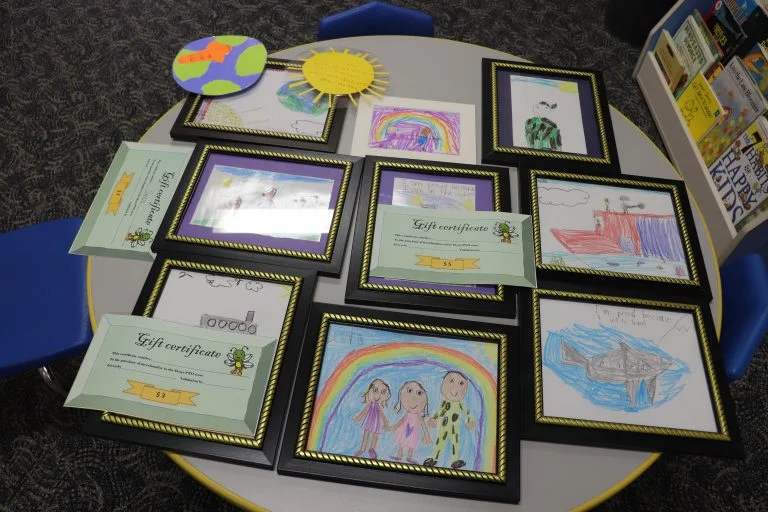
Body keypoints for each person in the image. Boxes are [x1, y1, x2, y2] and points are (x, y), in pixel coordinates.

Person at [423, 371, 475, 469]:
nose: (455, 387)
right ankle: (434, 459)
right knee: (439, 442)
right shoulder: (445, 403)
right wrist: (434, 419)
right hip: (444, 426)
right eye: (451, 381)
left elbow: (466, 412)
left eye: (461, 383)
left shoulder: (460, 404)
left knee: (455, 443)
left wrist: (470, 420)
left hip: (454, 428)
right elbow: (440, 412)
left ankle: (455, 461)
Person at [389, 381, 431, 464]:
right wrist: (395, 426)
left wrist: (427, 435)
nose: (413, 398)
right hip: (404, 430)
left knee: (411, 444)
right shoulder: (407, 413)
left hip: (413, 432)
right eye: (409, 391)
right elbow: (402, 420)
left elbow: (423, 424)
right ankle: (399, 456)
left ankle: (409, 457)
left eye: (419, 393)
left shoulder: (419, 415)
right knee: (401, 443)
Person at [352, 378, 391, 460]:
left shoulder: (379, 406)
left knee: (375, 435)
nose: (378, 395)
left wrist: (385, 422)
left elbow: (382, 415)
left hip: (377, 422)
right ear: (369, 391)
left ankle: (372, 449)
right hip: (369, 421)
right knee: (366, 434)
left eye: (383, 392)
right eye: (375, 390)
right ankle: (362, 449)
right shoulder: (370, 404)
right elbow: (364, 411)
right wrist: (358, 417)